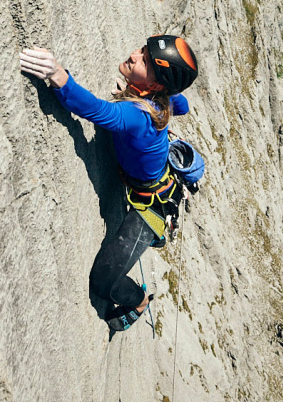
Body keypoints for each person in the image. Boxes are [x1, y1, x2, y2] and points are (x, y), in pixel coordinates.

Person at [19, 35, 198, 332]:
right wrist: (140, 90)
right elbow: (182, 105)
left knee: (104, 282)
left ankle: (139, 300)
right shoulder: (158, 100)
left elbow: (99, 112)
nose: (134, 55)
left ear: (154, 86)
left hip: (151, 208)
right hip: (153, 181)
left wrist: (57, 75)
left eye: (146, 62)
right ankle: (149, 240)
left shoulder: (137, 116)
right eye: (142, 51)